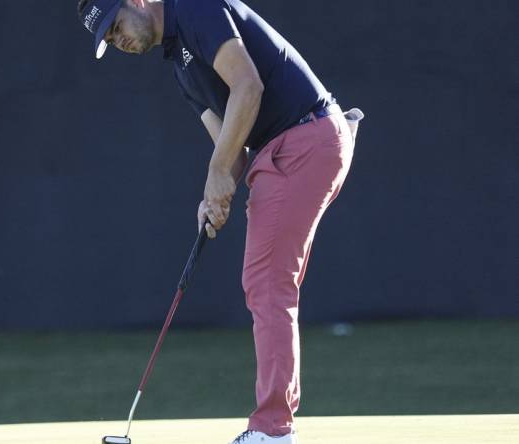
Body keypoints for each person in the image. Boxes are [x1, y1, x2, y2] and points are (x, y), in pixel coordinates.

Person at [77, 1, 363, 443]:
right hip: (286, 148)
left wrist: (218, 175)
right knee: (266, 282)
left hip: (302, 137)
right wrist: (213, 198)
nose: (120, 42)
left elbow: (248, 87)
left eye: (116, 27)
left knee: (267, 283)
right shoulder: (180, 69)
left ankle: (273, 431)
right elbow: (231, 152)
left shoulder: (194, 7)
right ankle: (275, 429)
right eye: (111, 41)